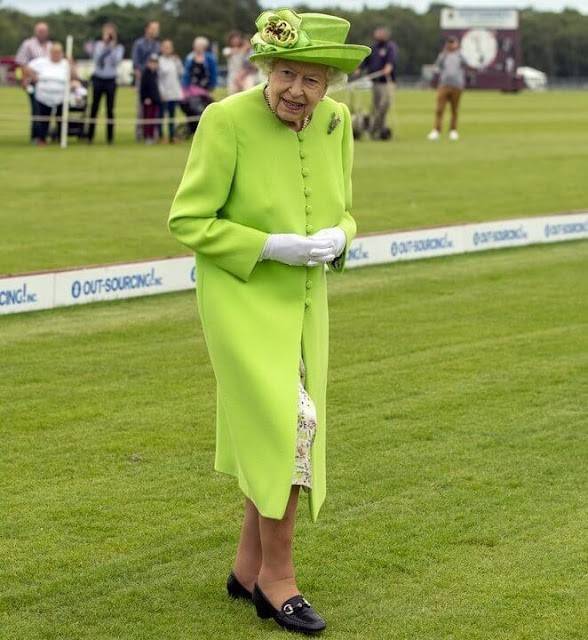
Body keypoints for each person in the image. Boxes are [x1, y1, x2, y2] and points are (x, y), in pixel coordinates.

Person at [168, 8, 370, 635]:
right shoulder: (224, 119)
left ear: (330, 85)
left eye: (312, 79)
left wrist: (340, 236)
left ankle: (246, 564)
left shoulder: (337, 123)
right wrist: (270, 245)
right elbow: (189, 220)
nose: (296, 91)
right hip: (240, 300)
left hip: (308, 303)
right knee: (291, 426)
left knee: (276, 429)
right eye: (286, 73)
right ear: (265, 67)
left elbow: (347, 209)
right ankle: (277, 581)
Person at [24, 42, 72, 145]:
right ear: (50, 53)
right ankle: (42, 139)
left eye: (58, 52)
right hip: (43, 97)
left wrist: (71, 63)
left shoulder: (65, 63)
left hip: (61, 97)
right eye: (54, 52)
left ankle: (61, 138)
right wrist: (34, 78)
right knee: (43, 119)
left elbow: (74, 76)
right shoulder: (41, 62)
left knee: (61, 119)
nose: (56, 55)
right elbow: (27, 68)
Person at [86, 23, 124, 144]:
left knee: (110, 109)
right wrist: (104, 46)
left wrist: (111, 47)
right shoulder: (97, 45)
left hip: (111, 80)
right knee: (94, 108)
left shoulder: (118, 48)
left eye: (110, 33)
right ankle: (90, 136)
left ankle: (110, 138)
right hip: (98, 78)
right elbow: (96, 59)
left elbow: (116, 61)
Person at [15, 22, 52, 142]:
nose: (42, 33)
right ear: (35, 32)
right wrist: (29, 76)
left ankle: (43, 135)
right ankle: (35, 135)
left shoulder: (50, 46)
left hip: (47, 84)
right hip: (33, 83)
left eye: (44, 31)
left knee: (46, 109)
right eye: (40, 31)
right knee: (36, 109)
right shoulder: (28, 44)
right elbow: (21, 62)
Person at [427, 36, 468, 141]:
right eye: (449, 43)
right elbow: (437, 66)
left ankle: (453, 130)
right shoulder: (443, 55)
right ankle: (436, 130)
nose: (451, 45)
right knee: (439, 109)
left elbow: (467, 64)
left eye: (453, 43)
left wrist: (459, 51)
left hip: (457, 85)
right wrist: (444, 54)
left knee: (454, 109)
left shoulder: (460, 55)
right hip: (444, 85)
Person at [361, 26, 397, 140]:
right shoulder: (374, 47)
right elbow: (366, 61)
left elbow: (391, 61)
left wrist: (388, 67)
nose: (378, 35)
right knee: (376, 107)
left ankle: (373, 128)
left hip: (386, 82)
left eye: (380, 33)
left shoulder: (390, 47)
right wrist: (359, 69)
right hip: (375, 82)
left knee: (384, 105)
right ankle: (379, 130)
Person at [131, 21, 160, 141]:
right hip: (142, 79)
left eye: (157, 29)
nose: (155, 31)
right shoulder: (139, 44)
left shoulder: (157, 45)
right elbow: (136, 62)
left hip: (154, 80)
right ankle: (140, 132)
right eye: (153, 28)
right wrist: (140, 76)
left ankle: (153, 132)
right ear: (147, 29)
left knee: (154, 107)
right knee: (141, 107)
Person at [157, 39, 183, 143]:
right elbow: (158, 79)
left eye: (169, 47)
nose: (168, 49)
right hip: (164, 94)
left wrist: (178, 61)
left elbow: (181, 72)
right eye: (165, 47)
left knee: (172, 116)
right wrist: (161, 92)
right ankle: (160, 136)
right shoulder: (159, 61)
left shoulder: (175, 60)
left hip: (174, 93)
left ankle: (172, 136)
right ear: (162, 49)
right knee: (161, 116)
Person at [140, 53, 161, 144]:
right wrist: (145, 98)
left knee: (153, 118)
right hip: (148, 100)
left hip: (155, 100)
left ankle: (152, 136)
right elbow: (143, 88)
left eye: (155, 63)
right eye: (152, 62)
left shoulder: (155, 73)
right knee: (147, 119)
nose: (153, 64)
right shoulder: (145, 73)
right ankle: (147, 136)